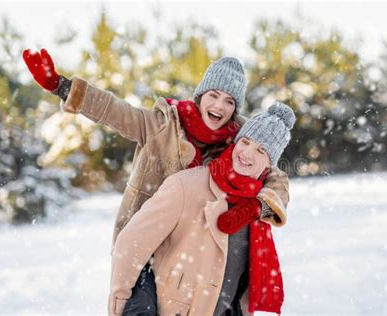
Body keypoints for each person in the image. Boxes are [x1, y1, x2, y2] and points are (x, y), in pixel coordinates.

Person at [22, 49, 291, 314]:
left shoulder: (238, 141)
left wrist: (261, 206)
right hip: (146, 250)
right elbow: (114, 111)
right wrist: (61, 86)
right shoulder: (161, 126)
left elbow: (275, 175)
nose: (219, 106)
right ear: (200, 96)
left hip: (185, 253)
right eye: (214, 95)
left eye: (230, 101)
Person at [109, 101, 295, 316]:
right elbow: (130, 245)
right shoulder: (185, 186)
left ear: (270, 164)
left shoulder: (260, 205)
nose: (247, 153)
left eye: (261, 150)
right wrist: (121, 305)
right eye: (245, 142)